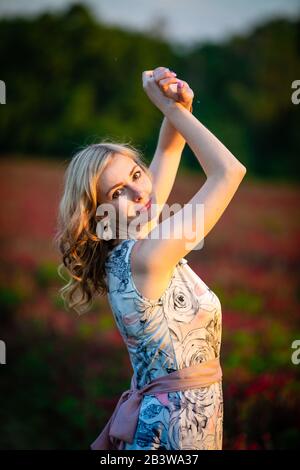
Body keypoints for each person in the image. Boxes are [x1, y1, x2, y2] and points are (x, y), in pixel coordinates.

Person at [55, 66, 247, 450]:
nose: (139, 193)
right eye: (117, 193)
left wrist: (180, 106)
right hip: (175, 434)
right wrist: (167, 108)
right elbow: (229, 172)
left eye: (137, 174)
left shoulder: (130, 240)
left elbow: (167, 149)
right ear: (97, 216)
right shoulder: (149, 256)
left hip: (175, 422)